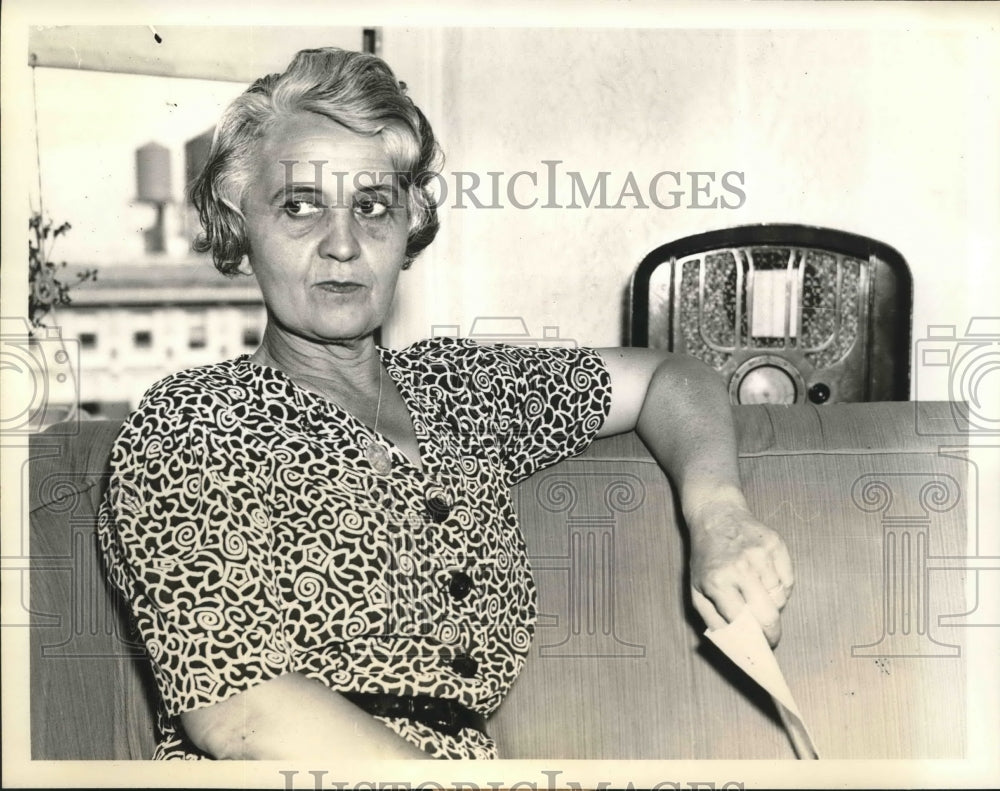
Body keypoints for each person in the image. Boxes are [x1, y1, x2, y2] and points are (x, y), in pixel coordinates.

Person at [97, 47, 794, 761]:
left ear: (408, 229)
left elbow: (670, 378)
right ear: (241, 231)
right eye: (301, 206)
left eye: (373, 207)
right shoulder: (193, 421)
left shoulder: (456, 392)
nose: (343, 244)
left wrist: (718, 513)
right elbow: (241, 712)